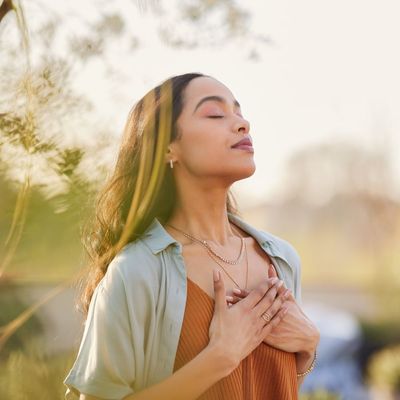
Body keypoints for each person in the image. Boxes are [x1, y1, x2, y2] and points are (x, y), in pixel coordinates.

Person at [64, 72, 320, 400]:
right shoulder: (136, 271)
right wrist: (219, 357)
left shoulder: (282, 259)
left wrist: (308, 348)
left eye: (239, 113)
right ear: (169, 148)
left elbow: (277, 386)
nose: (243, 124)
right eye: (215, 114)